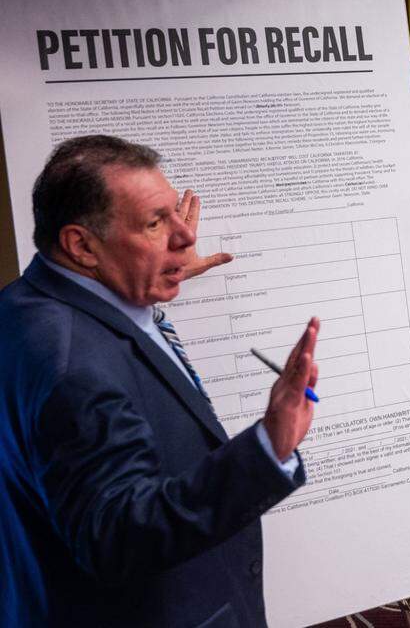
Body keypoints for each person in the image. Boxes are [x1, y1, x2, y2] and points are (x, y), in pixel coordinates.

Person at [0, 135, 320, 627]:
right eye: (154, 223)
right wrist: (268, 446)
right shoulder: (76, 371)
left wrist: (150, 273)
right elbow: (119, 534)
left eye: (175, 213)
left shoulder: (25, 304)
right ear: (82, 245)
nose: (186, 236)